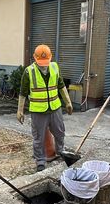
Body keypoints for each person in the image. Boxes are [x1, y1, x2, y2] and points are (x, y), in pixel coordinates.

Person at [17, 44, 73, 172]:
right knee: (39, 137)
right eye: (40, 62)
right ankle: (40, 160)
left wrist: (68, 102)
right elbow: (23, 92)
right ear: (34, 58)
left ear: (51, 58)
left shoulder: (54, 67)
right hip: (38, 111)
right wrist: (20, 110)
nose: (43, 65)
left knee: (60, 132)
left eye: (46, 62)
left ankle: (61, 153)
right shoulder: (29, 71)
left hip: (55, 108)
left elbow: (61, 85)